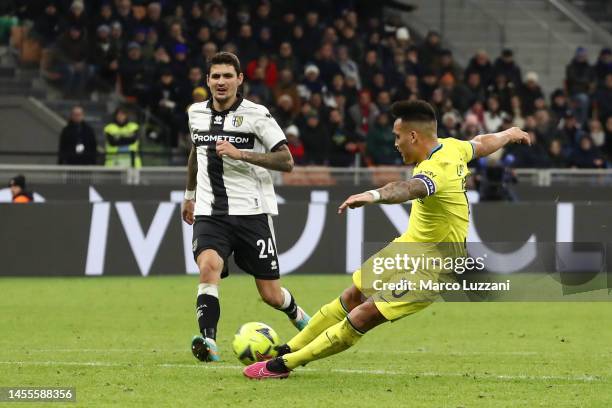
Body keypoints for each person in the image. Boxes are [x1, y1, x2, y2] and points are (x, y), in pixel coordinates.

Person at [244, 100, 530, 379]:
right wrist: (509, 134)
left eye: (397, 136)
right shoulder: (453, 147)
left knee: (363, 314)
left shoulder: (436, 169)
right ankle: (288, 347)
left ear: (413, 135)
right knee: (351, 296)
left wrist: (373, 195)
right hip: (406, 249)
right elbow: (480, 144)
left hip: (434, 268)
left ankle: (284, 364)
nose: (395, 143)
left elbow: (407, 188)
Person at [181, 52, 310, 362]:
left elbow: (286, 161)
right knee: (208, 267)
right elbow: (196, 152)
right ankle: (209, 342)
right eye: (215, 76)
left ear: (240, 79)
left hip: (252, 213)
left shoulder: (257, 115)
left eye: (228, 76)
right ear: (207, 81)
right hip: (211, 212)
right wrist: (189, 194)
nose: (221, 82)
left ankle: (301, 318)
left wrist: (242, 155)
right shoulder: (195, 113)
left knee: (271, 295)